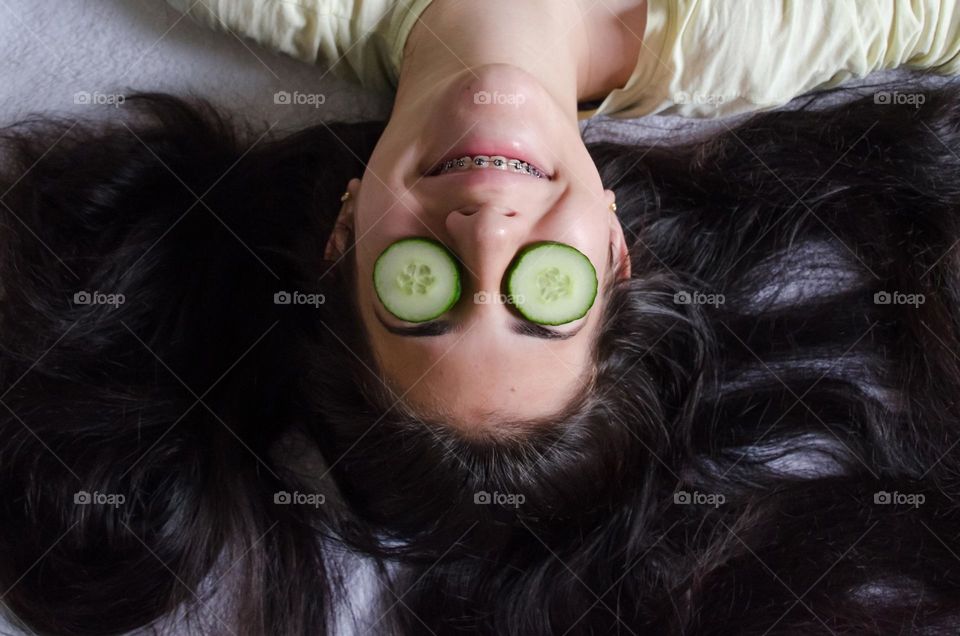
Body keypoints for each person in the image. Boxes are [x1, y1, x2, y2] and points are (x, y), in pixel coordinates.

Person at [1, 2, 960, 634]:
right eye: (548, 293)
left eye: (421, 292)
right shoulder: (806, 27)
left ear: (343, 236)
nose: (489, 230)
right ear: (616, 250)